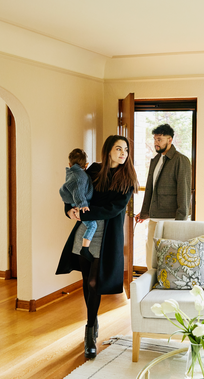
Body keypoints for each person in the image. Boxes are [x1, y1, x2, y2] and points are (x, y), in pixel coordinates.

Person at [56, 135, 138, 359]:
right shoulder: (93, 170)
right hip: (85, 230)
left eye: (126, 150)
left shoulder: (128, 178)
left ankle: (89, 331)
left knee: (94, 281)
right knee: (86, 280)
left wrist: (86, 212)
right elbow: (72, 188)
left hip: (107, 234)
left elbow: (114, 208)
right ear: (108, 151)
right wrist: (69, 209)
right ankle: (92, 322)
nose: (123, 153)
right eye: (119, 148)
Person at [134, 123, 192, 266]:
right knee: (151, 257)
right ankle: (150, 286)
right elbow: (151, 189)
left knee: (170, 259)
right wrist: (144, 213)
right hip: (154, 218)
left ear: (170, 140)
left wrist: (180, 221)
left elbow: (184, 192)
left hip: (172, 219)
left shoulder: (181, 160)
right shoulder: (155, 160)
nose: (156, 143)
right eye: (154, 139)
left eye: (159, 139)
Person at [59, 148, 96, 260]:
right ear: (86, 164)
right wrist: (82, 205)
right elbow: (78, 192)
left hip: (73, 202)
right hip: (79, 202)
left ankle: (85, 248)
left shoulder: (71, 173)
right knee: (92, 225)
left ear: (69, 164)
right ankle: (85, 248)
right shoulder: (80, 176)